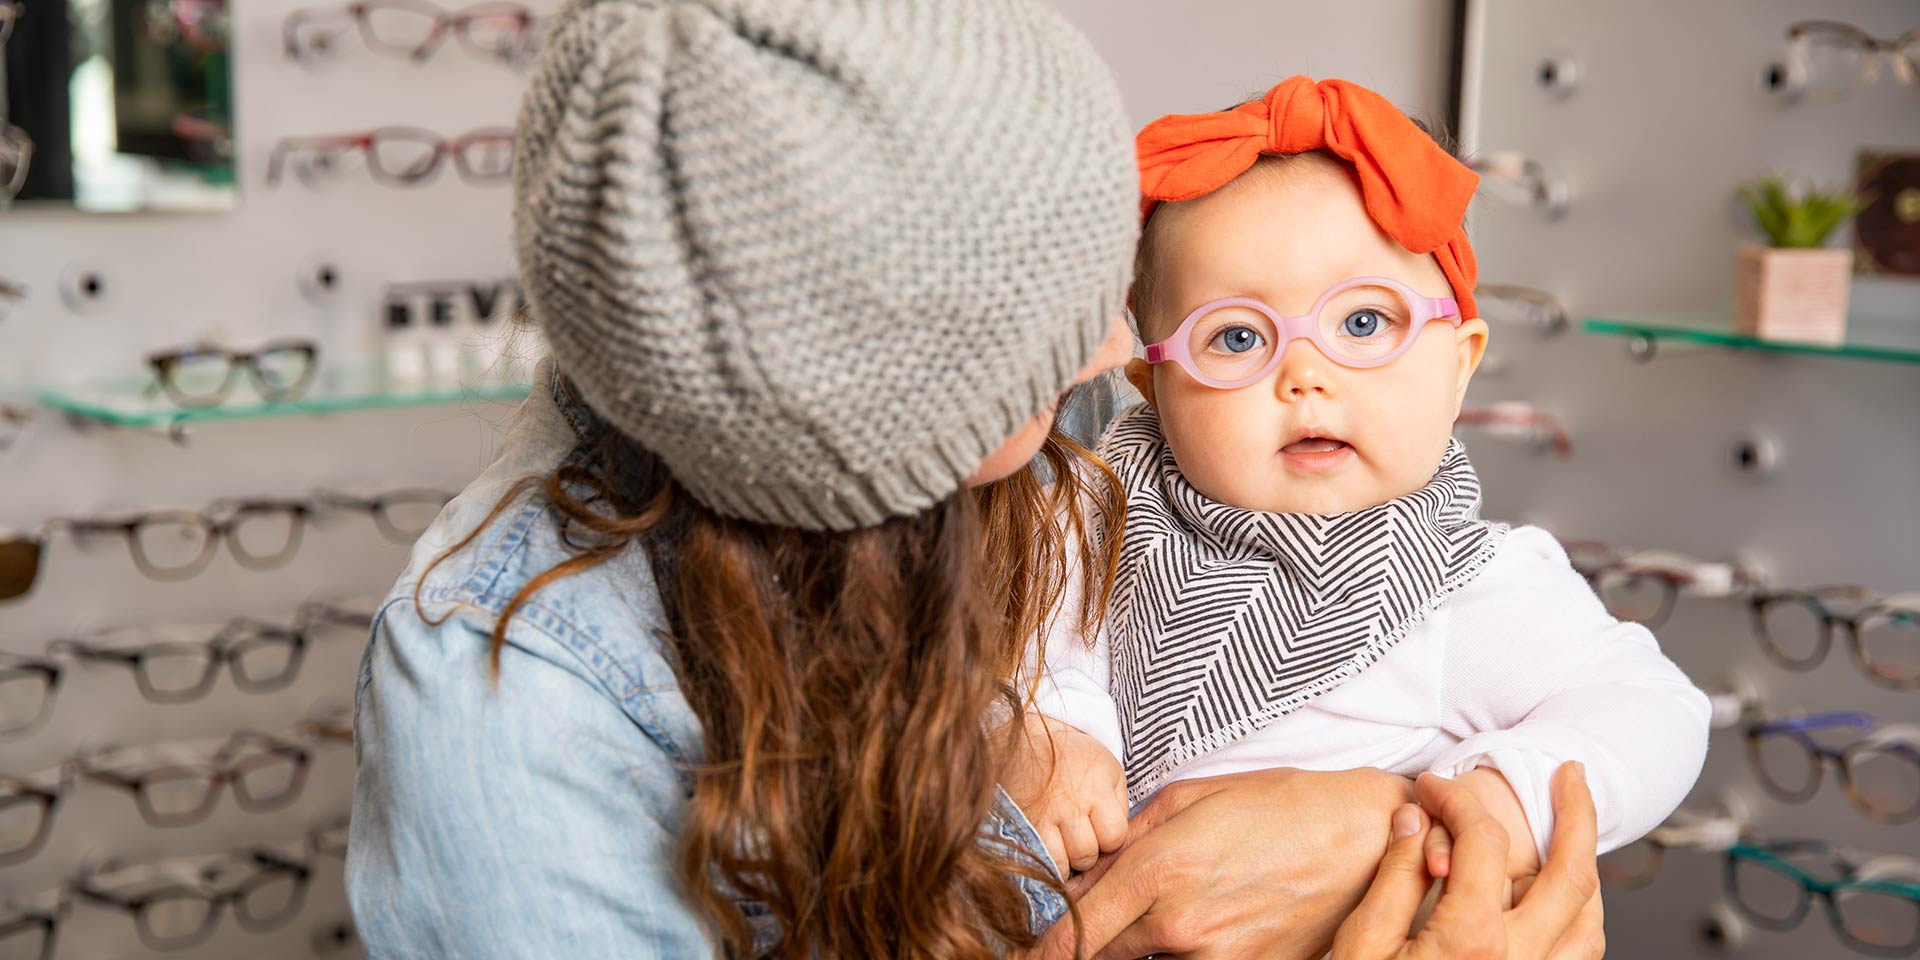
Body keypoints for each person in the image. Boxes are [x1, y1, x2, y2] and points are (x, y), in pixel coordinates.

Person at [345, 5, 1608, 958]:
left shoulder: (1064, 435)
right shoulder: (507, 697)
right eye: (1042, 346)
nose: (1121, 361)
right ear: (872, 432)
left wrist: (1376, 823)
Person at [1007, 75, 1710, 898]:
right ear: (1152, 387)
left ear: (1459, 365)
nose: (1306, 376)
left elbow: (1656, 711)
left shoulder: (1476, 582)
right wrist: (1051, 729)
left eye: (1365, 324)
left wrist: (1499, 798)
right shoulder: (1094, 507)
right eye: (1236, 336)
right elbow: (1014, 637)